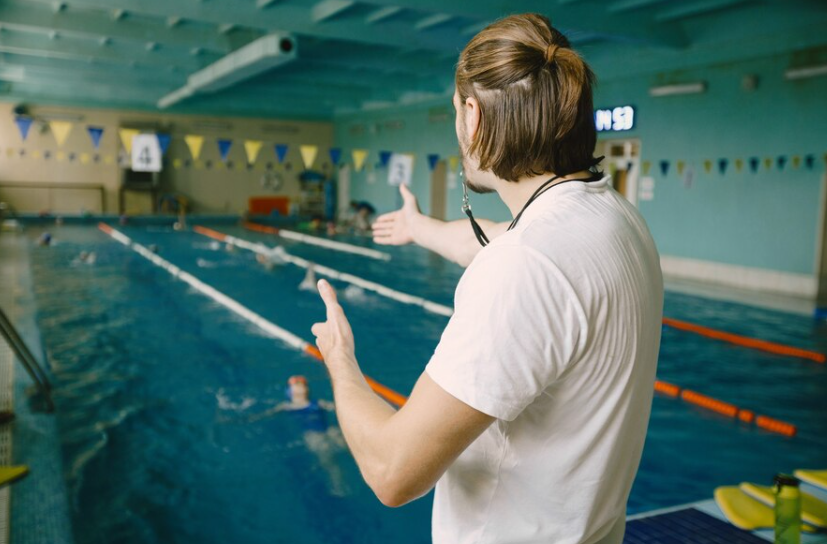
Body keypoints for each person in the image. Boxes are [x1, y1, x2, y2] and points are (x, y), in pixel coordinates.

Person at [311, 14, 662, 544]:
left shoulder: (524, 267)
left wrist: (339, 359)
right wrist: (416, 226)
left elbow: (392, 472)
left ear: (472, 115)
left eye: (455, 111)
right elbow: (493, 242)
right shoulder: (614, 218)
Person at [252, 376, 347, 496]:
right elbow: (262, 416)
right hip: (313, 436)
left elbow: (341, 408)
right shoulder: (286, 407)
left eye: (303, 384)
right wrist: (244, 419)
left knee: (344, 441)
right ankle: (339, 487)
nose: (301, 385)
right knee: (329, 462)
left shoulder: (318, 403)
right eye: (296, 384)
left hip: (329, 431)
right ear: (290, 391)